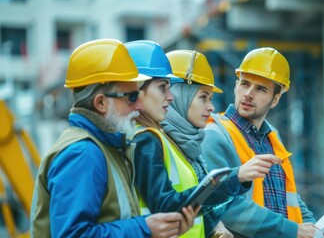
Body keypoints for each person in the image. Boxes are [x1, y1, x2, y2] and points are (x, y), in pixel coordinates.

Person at [30, 39, 198, 237]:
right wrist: (144, 228)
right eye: (131, 97)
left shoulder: (108, 148)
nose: (140, 106)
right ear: (101, 102)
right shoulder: (82, 154)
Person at [126, 41, 281, 238]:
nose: (211, 107)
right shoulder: (148, 140)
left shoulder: (179, 145)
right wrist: (236, 176)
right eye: (203, 98)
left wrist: (215, 227)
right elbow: (167, 207)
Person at [201, 47, 324, 238]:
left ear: (275, 99)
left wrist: (312, 228)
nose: (248, 94)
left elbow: (290, 197)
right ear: (236, 85)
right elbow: (223, 205)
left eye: (261, 89)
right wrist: (293, 230)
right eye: (245, 84)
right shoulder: (214, 135)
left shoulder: (272, 137)